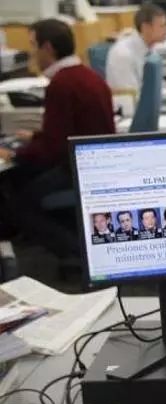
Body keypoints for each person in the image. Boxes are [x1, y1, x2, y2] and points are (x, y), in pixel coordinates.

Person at [0, 19, 115, 258]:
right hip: (96, 164)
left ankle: (78, 255)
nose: (32, 52)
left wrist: (13, 153)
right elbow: (69, 131)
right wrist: (36, 137)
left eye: (34, 45)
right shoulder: (89, 75)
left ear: (48, 48)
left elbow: (53, 148)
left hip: (76, 168)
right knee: (18, 178)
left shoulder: (62, 84)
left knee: (18, 204)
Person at [106, 3, 166, 92]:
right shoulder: (122, 54)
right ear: (146, 28)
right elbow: (131, 95)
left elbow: (159, 86)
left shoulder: (150, 49)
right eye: (162, 26)